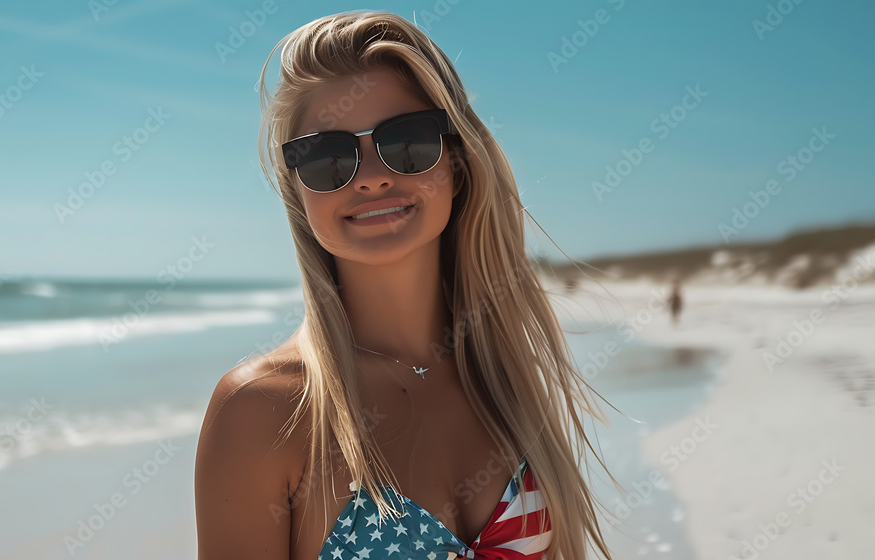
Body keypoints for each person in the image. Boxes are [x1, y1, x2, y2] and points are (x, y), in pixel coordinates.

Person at [194, 11, 615, 560]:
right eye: (328, 156)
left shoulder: (503, 379)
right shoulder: (263, 410)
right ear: (297, 188)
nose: (370, 175)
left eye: (408, 141)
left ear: (459, 162)